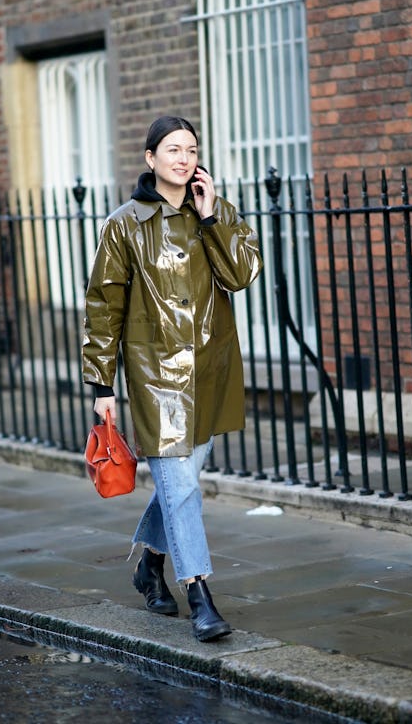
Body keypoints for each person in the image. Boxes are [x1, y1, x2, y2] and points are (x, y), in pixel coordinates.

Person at [82, 115, 262, 642]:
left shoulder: (216, 211)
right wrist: (102, 386)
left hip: (210, 369)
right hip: (153, 373)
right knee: (181, 489)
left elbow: (241, 275)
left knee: (178, 487)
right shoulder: (124, 224)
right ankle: (200, 593)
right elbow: (103, 307)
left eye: (191, 150)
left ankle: (148, 566)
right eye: (173, 149)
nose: (184, 159)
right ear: (150, 158)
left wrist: (212, 219)